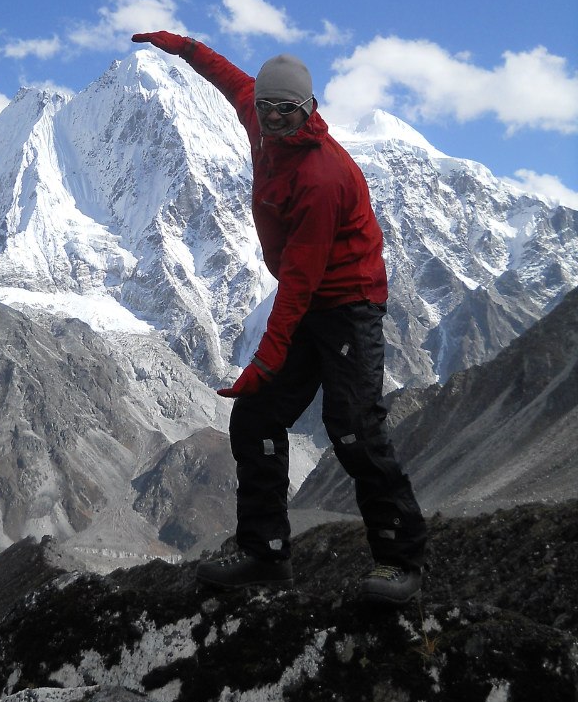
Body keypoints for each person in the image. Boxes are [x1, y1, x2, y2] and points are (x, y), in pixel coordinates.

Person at [131, 31, 427, 605]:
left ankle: (401, 563)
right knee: (257, 419)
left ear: (309, 111)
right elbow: (227, 76)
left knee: (353, 429)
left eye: (287, 113)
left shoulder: (322, 177)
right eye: (267, 110)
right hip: (312, 299)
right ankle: (266, 555)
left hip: (348, 304)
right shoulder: (259, 117)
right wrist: (180, 46)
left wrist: (262, 363)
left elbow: (299, 283)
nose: (275, 122)